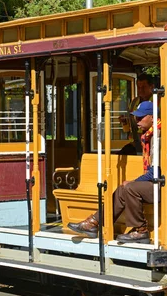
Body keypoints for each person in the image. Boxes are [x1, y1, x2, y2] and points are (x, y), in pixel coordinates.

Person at [68, 101, 159, 244]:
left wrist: (134, 181)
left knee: (130, 188)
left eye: (141, 118)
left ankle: (141, 231)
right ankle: (94, 222)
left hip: (163, 185)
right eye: (136, 118)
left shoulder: (158, 136)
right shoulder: (148, 135)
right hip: (155, 183)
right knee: (123, 189)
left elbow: (156, 171)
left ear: (152, 117)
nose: (137, 121)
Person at [119, 74, 155, 155]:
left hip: (150, 142)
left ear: (152, 87)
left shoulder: (158, 101)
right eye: (138, 87)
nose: (140, 90)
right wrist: (125, 122)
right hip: (135, 143)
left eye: (143, 87)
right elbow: (129, 128)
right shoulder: (134, 102)